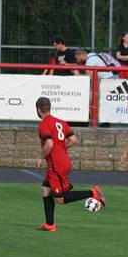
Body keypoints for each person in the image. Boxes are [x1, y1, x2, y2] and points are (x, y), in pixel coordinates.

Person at [35, 96, 105, 231]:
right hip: (62, 162)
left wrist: (40, 156)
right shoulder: (60, 122)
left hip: (57, 165)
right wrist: (61, 148)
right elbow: (74, 140)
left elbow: (49, 144)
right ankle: (50, 224)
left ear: (38, 110)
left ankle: (92, 192)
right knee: (45, 190)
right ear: (49, 108)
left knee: (60, 200)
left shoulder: (43, 124)